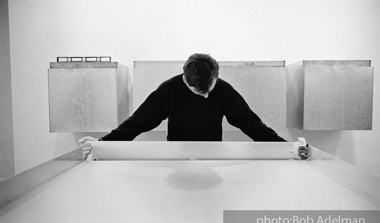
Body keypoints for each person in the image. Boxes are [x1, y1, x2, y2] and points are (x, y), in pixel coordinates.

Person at [79, 53, 310, 160]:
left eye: (210, 88)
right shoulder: (168, 90)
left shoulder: (223, 89)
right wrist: (102, 144)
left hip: (212, 157)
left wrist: (288, 148)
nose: (208, 96)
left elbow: (252, 125)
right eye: (199, 92)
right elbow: (138, 123)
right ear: (185, 80)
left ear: (216, 76)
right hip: (176, 158)